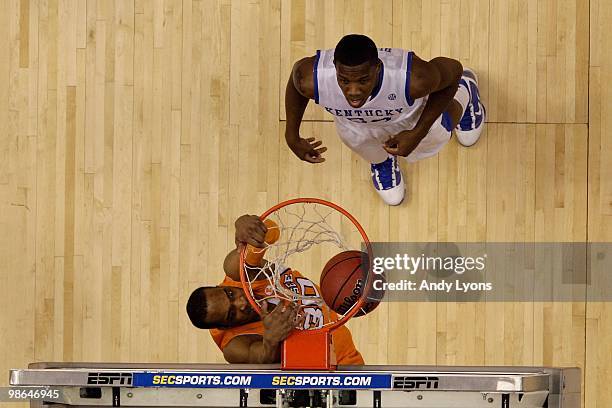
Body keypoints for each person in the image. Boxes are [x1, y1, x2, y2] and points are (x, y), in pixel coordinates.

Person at [284, 34, 486, 205]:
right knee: (368, 149)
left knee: (444, 126)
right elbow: (296, 87)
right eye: (344, 81)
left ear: (378, 68)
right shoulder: (310, 78)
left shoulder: (414, 77)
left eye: (363, 80)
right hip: (354, 125)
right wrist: (292, 135)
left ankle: (466, 93)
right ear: (335, 68)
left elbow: (453, 69)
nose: (353, 92)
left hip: (410, 118)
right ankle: (382, 163)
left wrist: (417, 133)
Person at [186, 214, 364, 365]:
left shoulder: (237, 273)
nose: (241, 302)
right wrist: (270, 340)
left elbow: (260, 238)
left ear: (224, 286)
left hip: (334, 300)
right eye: (232, 313)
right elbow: (260, 355)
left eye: (230, 294)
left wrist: (247, 227)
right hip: (335, 359)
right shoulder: (234, 346)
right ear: (225, 326)